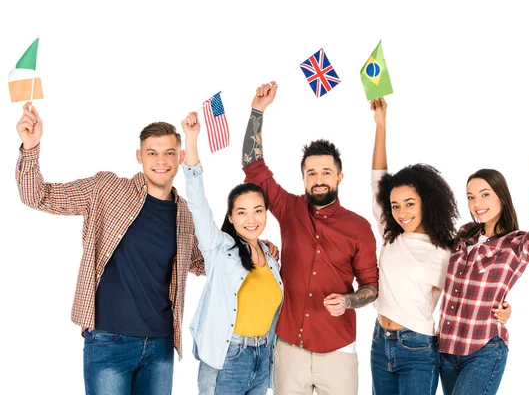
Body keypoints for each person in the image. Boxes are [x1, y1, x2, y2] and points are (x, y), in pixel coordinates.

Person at [15, 101, 205, 394]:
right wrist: (31, 147)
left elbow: (203, 261)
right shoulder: (107, 189)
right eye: (152, 153)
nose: (161, 161)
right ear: (139, 156)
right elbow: (38, 196)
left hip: (160, 345)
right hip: (109, 341)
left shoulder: (184, 215)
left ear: (180, 157)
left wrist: (253, 247)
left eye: (169, 153)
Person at [241, 82, 379, 395]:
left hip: (338, 351)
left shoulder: (358, 227)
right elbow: (253, 166)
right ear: (303, 177)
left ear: (339, 177)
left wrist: (347, 301)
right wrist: (257, 111)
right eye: (311, 173)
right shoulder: (289, 208)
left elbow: (371, 287)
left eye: (326, 172)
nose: (319, 180)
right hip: (289, 348)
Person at [369, 97, 511, 395]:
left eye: (410, 204)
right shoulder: (390, 232)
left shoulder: (446, 250)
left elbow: (477, 283)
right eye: (395, 206)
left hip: (418, 348)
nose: (402, 212)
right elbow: (378, 180)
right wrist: (381, 125)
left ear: (426, 203)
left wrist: (502, 308)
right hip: (380, 343)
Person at [437, 138, 529, 394]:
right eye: (471, 197)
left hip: (483, 349)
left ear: (501, 198)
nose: (476, 203)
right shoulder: (464, 234)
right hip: (446, 351)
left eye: (485, 195)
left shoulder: (516, 244)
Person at [180, 111, 283, 395]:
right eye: (242, 212)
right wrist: (191, 140)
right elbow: (198, 204)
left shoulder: (271, 257)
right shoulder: (219, 249)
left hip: (262, 358)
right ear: (232, 217)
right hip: (228, 357)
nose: (251, 219)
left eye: (258, 211)